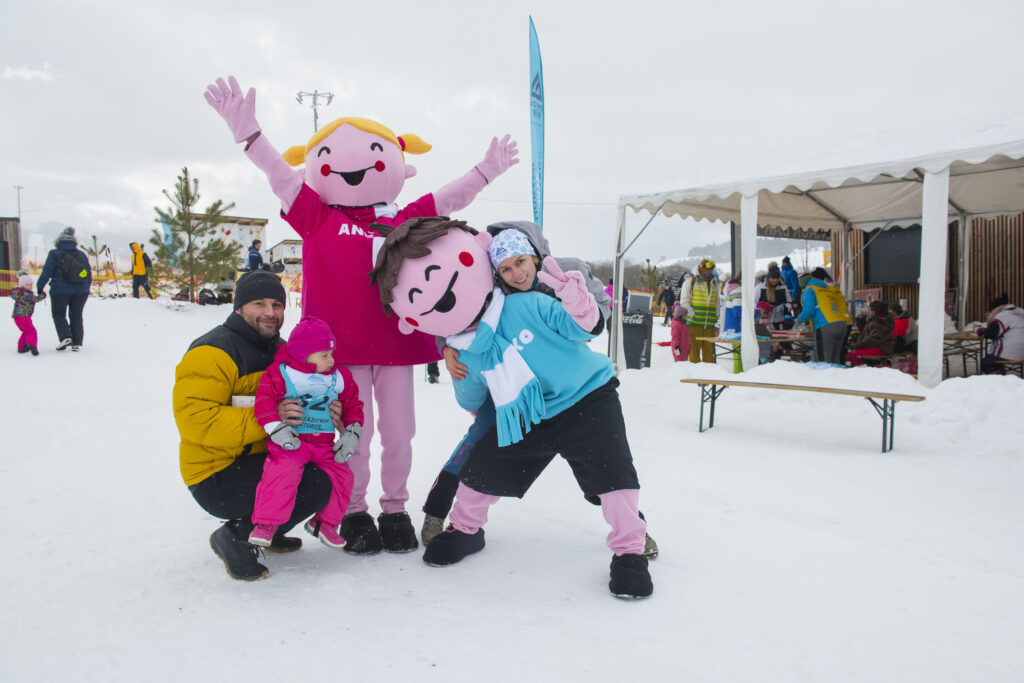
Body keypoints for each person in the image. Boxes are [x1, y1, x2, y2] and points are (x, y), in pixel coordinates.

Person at [206, 75, 518, 555]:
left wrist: (485, 171)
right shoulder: (315, 215)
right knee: (354, 431)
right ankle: (352, 510)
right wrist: (250, 135)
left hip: (395, 346)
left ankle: (394, 508)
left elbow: (449, 199)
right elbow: (280, 175)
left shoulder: (403, 219)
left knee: (400, 433)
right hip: (337, 353)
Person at [370, 217, 653, 599]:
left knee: (613, 477)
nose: (516, 273)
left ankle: (630, 551)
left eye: (520, 262)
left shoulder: (532, 302)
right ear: (494, 274)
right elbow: (471, 400)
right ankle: (466, 530)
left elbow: (585, 328)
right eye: (506, 268)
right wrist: (458, 368)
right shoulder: (468, 343)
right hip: (528, 412)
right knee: (482, 468)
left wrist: (576, 298)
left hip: (588, 397)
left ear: (533, 259)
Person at [173, 271, 341, 581]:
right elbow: (198, 420)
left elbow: (307, 397)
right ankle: (235, 536)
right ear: (239, 307)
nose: (270, 313)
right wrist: (271, 417)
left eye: (277, 305)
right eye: (259, 304)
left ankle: (268, 529)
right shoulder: (212, 350)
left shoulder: (285, 351)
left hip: (263, 456)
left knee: (324, 474)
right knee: (309, 483)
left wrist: (328, 410)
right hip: (216, 471)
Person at [250, 316, 364, 550]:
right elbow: (264, 401)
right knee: (282, 472)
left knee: (344, 477)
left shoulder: (339, 377)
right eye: (324, 355)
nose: (331, 360)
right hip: (292, 441)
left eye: (331, 354)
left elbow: (353, 404)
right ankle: (267, 523)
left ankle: (325, 524)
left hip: (324, 445)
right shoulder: (282, 373)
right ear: (303, 355)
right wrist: (275, 428)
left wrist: (351, 433)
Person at [36, 226, 91, 352]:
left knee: (59, 314)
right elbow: (88, 273)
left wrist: (40, 287)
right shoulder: (82, 254)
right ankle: (76, 343)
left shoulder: (54, 253)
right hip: (81, 291)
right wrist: (85, 288)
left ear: (58, 242)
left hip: (60, 291)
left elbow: (47, 272)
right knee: (76, 315)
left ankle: (65, 337)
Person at [795, 267, 852, 365]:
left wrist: (798, 320)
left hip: (824, 325)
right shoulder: (827, 288)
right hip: (842, 323)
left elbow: (809, 311)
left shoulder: (809, 290)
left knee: (823, 362)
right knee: (837, 361)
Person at [678, 258, 720, 363]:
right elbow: (684, 301)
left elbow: (717, 301)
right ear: (702, 269)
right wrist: (691, 313)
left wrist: (717, 315)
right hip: (694, 323)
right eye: (708, 270)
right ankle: (694, 373)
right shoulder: (690, 282)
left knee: (710, 355)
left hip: (709, 324)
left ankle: (708, 373)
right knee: (694, 353)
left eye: (712, 270)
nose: (710, 272)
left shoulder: (714, 283)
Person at [976, 294, 1024, 374]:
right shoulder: (1019, 313)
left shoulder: (1002, 316)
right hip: (1021, 352)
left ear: (995, 309)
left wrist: (978, 330)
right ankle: (1000, 374)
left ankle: (998, 377)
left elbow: (990, 333)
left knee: (987, 363)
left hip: (1010, 354)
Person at [847, 300, 896, 366]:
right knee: (852, 353)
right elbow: (865, 332)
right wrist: (860, 320)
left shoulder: (879, 323)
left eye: (870, 310)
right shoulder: (873, 320)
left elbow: (871, 340)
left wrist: (855, 346)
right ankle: (860, 367)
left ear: (875, 311)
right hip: (876, 345)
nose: (868, 312)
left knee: (856, 353)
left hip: (882, 347)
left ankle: (861, 369)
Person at [10, 271, 46, 356]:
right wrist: (43, 295)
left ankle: (22, 348)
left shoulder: (19, 293)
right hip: (23, 316)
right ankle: (32, 345)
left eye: (31, 284)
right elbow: (35, 299)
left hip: (18, 317)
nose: (30, 286)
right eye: (27, 284)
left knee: (26, 331)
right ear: (22, 285)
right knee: (31, 331)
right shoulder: (25, 293)